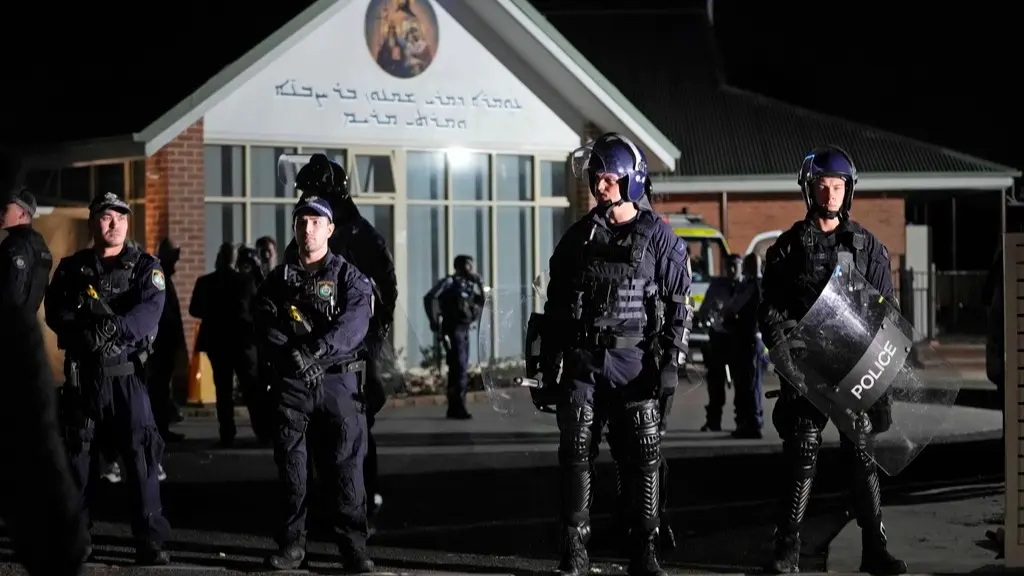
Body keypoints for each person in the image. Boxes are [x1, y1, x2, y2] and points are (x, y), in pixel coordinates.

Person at [535, 133, 693, 575]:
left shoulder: (660, 239)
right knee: (575, 454)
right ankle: (574, 549)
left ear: (630, 181)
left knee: (643, 458)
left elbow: (680, 308)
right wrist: (549, 365)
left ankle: (644, 548)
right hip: (584, 364)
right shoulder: (577, 239)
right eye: (596, 178)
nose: (600, 187)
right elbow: (555, 307)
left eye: (608, 179)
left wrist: (669, 367)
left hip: (635, 365)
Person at [758, 146, 906, 574]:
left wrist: (883, 380)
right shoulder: (786, 250)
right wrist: (783, 352)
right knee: (802, 456)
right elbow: (769, 310)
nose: (829, 194)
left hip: (855, 369)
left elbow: (889, 313)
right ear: (809, 189)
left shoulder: (868, 248)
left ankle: (874, 548)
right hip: (808, 372)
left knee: (862, 456)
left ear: (849, 190)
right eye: (822, 185)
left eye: (837, 186)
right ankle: (787, 549)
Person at [44, 192, 171, 565]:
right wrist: (84, 335)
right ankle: (76, 537)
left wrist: (112, 328)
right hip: (85, 377)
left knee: (142, 457)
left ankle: (150, 539)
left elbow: (150, 312)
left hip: (126, 376)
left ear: (128, 222)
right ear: (93, 223)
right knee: (76, 459)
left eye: (119, 216)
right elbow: (55, 310)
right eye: (105, 217)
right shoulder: (72, 269)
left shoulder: (146, 267)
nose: (113, 223)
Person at [256, 195, 375, 572]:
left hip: (339, 384)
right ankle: (292, 546)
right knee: (293, 470)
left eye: (315, 222)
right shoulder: (278, 279)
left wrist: (317, 350)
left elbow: (355, 324)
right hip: (294, 386)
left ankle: (353, 548)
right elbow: (263, 323)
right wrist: (294, 355)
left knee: (347, 470)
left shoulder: (348, 276)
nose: (307, 229)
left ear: (329, 229)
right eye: (301, 222)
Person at [282, 153, 399, 527]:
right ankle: (322, 504)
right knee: (314, 430)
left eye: (313, 191)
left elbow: (384, 295)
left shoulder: (362, 237)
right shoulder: (306, 233)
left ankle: (363, 503)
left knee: (355, 427)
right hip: (312, 349)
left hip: (353, 351)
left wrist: (362, 338)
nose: (306, 201)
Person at [190, 243, 262, 445]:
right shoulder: (245, 281)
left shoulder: (205, 282)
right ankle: (261, 430)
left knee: (223, 389)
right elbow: (254, 309)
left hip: (217, 342)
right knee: (250, 387)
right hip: (242, 341)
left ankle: (227, 432)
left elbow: (194, 310)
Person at [424, 255, 486, 419]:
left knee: (460, 368)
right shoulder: (450, 282)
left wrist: (480, 283)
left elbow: (484, 301)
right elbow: (429, 297)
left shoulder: (470, 286)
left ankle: (456, 406)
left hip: (465, 329)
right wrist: (434, 322)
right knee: (458, 367)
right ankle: (457, 407)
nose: (470, 269)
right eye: (468, 265)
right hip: (453, 330)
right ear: (459, 266)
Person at [720, 253, 764, 438]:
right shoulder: (761, 285)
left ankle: (752, 423)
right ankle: (751, 421)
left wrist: (725, 312)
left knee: (749, 383)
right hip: (756, 339)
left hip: (749, 338)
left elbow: (732, 308)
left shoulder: (752, 285)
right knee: (753, 382)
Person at [699, 254, 742, 432]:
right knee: (715, 383)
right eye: (728, 266)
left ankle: (743, 421)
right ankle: (713, 421)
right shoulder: (717, 287)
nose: (731, 270)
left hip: (739, 340)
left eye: (735, 266)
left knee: (742, 384)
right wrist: (710, 312)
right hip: (719, 337)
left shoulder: (747, 287)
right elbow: (703, 311)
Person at [0, 186, 53, 312]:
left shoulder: (16, 244)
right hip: (27, 324)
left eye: (5, 209)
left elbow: (12, 294)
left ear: (22, 213)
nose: (0, 213)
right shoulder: (40, 244)